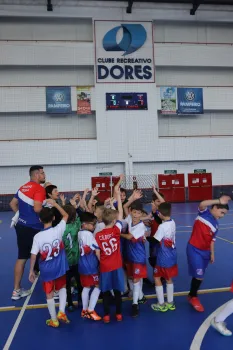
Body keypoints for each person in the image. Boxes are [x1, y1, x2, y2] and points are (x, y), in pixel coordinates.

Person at [29, 199, 70, 328]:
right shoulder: (58, 229)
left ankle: (54, 320)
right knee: (62, 287)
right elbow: (66, 215)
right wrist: (56, 204)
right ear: (53, 218)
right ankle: (62, 312)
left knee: (49, 294)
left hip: (46, 270)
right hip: (60, 267)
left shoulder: (38, 237)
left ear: (40, 220)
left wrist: (31, 270)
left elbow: (34, 255)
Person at [187, 195, 231, 312]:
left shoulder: (216, 225)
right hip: (194, 249)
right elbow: (202, 203)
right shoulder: (204, 213)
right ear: (215, 207)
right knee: (199, 275)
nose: (222, 216)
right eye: (221, 213)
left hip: (205, 252)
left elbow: (212, 240)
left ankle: (191, 294)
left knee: (199, 276)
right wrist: (218, 200)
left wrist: (212, 253)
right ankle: (193, 297)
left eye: (224, 214)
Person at [10, 165, 46, 300]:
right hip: (34, 228)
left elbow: (13, 204)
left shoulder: (22, 188)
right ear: (36, 175)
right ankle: (52, 289)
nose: (44, 175)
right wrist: (48, 208)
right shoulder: (39, 189)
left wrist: (22, 217)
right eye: (42, 173)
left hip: (21, 227)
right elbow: (37, 209)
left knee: (22, 257)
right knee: (46, 255)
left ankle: (16, 291)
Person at [94, 186, 124, 323]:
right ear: (113, 222)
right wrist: (117, 196)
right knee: (117, 290)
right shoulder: (116, 231)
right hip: (117, 265)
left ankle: (106, 314)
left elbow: (97, 252)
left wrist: (102, 261)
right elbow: (121, 214)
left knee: (105, 291)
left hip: (105, 266)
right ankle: (118, 313)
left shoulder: (98, 235)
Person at [121, 190, 147, 317]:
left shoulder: (141, 226)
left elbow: (128, 236)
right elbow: (125, 206)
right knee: (132, 277)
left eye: (138, 213)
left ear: (141, 214)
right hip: (129, 253)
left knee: (136, 278)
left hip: (138, 255)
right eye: (134, 212)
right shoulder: (130, 218)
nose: (136, 215)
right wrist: (132, 198)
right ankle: (140, 296)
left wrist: (116, 233)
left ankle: (135, 304)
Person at [148, 202, 178, 312]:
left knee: (157, 277)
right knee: (169, 278)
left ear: (160, 213)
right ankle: (170, 302)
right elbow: (160, 219)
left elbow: (155, 240)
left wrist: (145, 236)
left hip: (163, 257)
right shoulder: (172, 222)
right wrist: (155, 212)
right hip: (172, 255)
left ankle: (161, 304)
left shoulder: (161, 227)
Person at [78, 212, 101, 321]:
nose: (94, 226)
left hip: (82, 265)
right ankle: (91, 310)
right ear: (85, 224)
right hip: (91, 266)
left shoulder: (79, 233)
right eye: (93, 224)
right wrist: (102, 263)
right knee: (98, 286)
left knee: (86, 287)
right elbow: (97, 251)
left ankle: (84, 310)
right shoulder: (89, 235)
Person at [62, 205, 82, 312]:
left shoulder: (61, 229)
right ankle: (80, 300)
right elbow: (79, 218)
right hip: (77, 259)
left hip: (66, 261)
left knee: (67, 284)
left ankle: (69, 303)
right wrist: (75, 207)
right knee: (79, 282)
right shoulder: (76, 225)